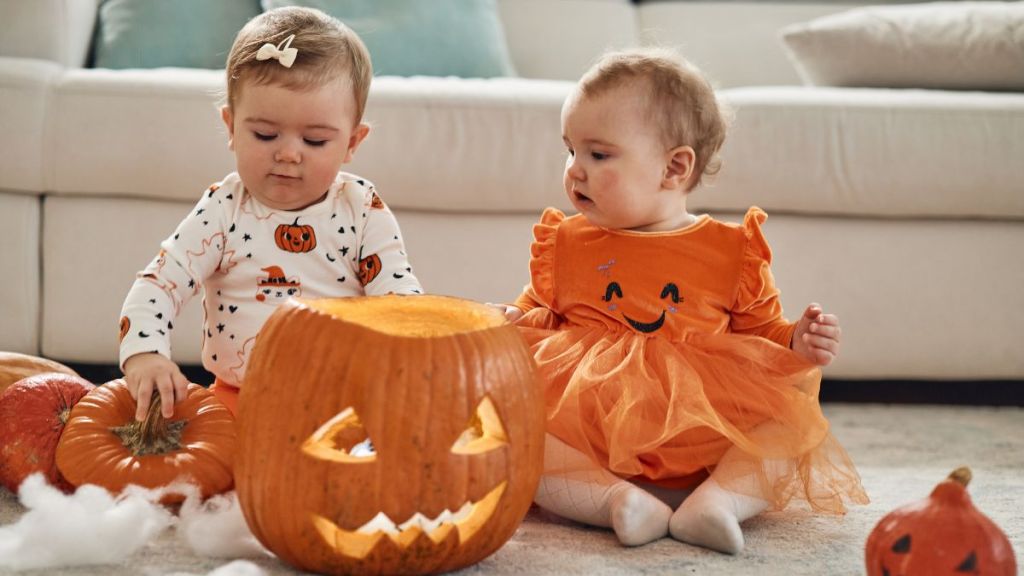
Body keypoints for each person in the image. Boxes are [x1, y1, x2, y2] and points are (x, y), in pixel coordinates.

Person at [501, 48, 868, 554]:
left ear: (674, 168)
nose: (575, 170)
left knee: (790, 425)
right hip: (593, 430)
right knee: (513, 432)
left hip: (703, 429)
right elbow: (541, 312)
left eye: (598, 154)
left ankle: (716, 504)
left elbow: (763, 333)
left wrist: (798, 343)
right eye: (570, 150)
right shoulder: (564, 242)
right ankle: (616, 502)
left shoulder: (730, 250)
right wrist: (512, 318)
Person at [118, 7, 422, 421]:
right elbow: (161, 282)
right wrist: (145, 353)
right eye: (264, 134)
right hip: (239, 399)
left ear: (352, 143)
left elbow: (398, 298)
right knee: (206, 463)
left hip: (345, 408)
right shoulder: (224, 209)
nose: (288, 153)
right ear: (230, 127)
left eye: (315, 140)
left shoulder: (361, 208)